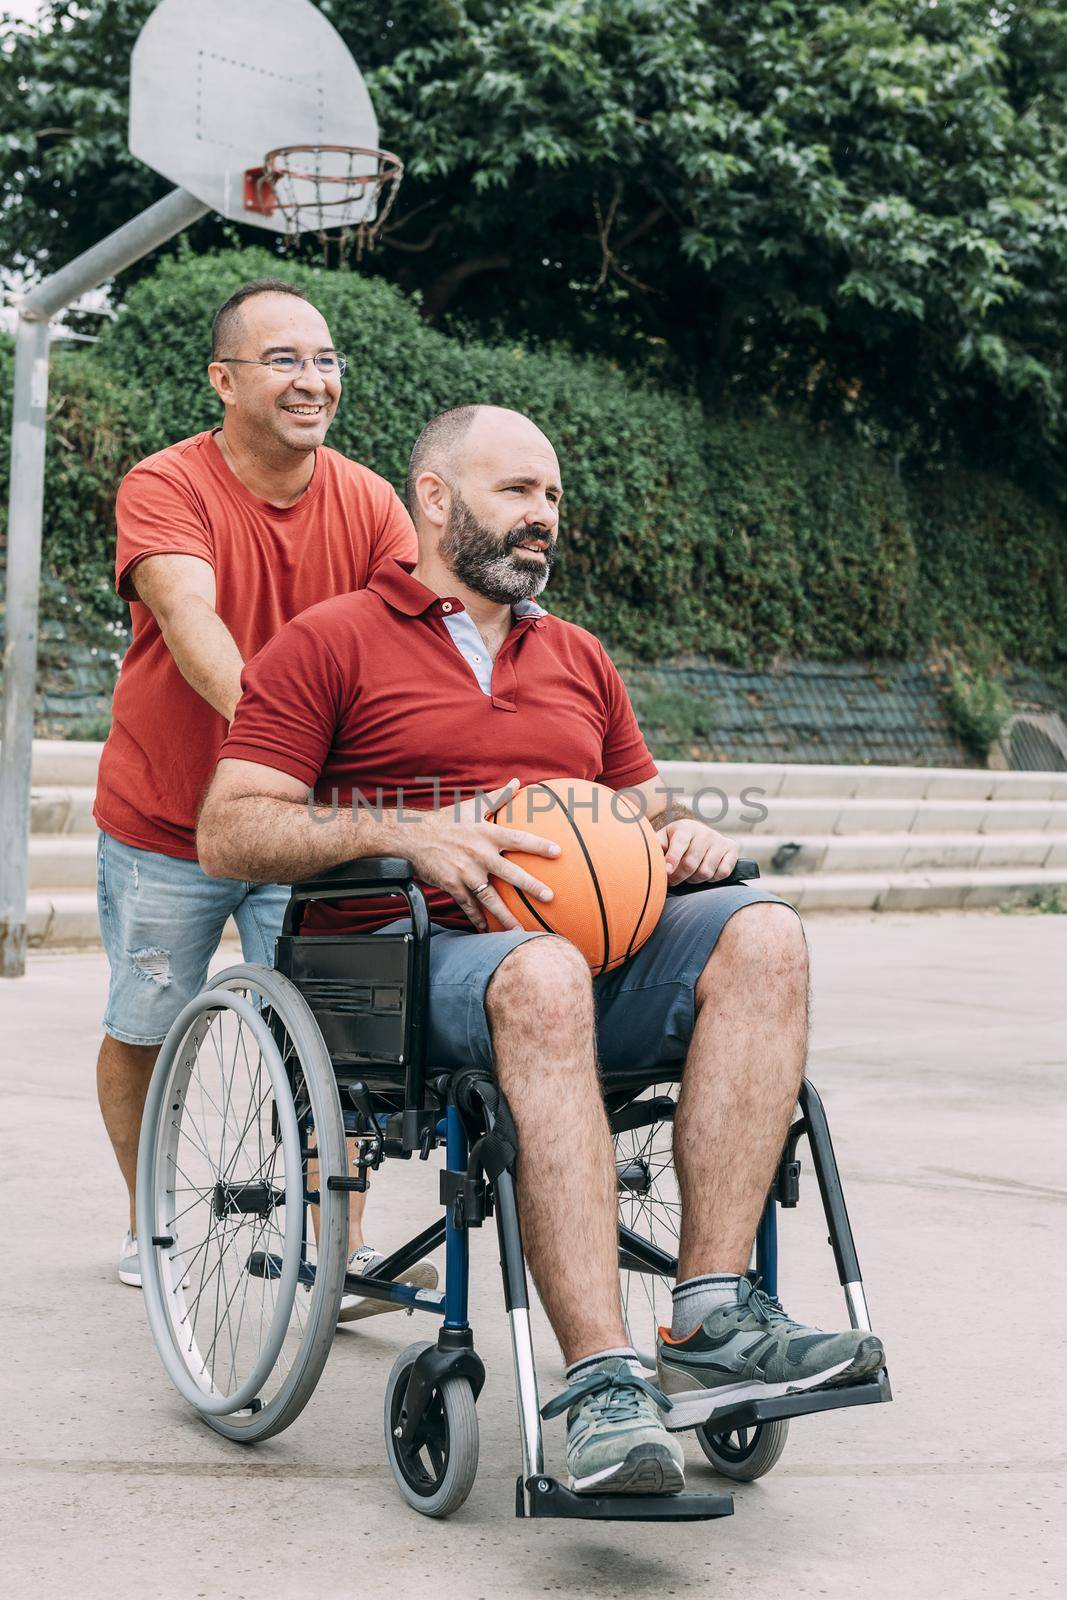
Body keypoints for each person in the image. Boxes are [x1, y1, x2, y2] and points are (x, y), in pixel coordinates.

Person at [195, 404, 885, 1496]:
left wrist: (682, 841)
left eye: (552, 497)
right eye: (517, 491)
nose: (542, 517)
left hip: (581, 958)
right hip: (404, 968)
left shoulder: (575, 655)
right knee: (542, 969)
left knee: (762, 932)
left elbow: (640, 823)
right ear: (434, 498)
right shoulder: (330, 640)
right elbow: (229, 827)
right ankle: (602, 1382)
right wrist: (407, 831)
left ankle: (710, 1312)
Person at [94, 276, 437, 1317]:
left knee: (339, 1027)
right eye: (284, 360)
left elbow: (420, 633)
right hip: (170, 821)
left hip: (308, 830)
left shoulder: (372, 502)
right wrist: (273, 743)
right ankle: (150, 1211)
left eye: (325, 359)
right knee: (149, 1022)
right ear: (223, 379)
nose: (312, 380)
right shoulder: (167, 485)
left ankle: (338, 1244)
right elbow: (190, 615)